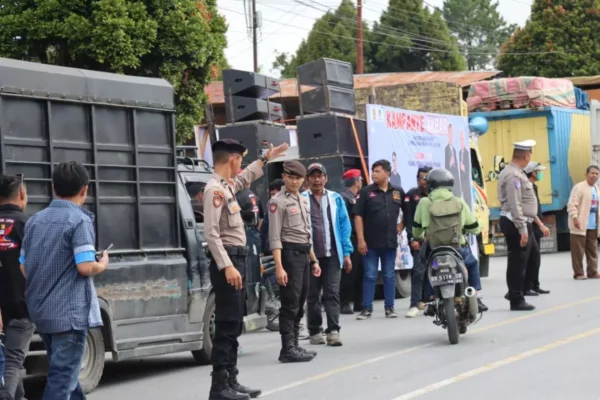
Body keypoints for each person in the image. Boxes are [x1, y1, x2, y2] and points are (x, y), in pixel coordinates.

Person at [203, 139, 287, 400]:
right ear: (233, 159)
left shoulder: (227, 186)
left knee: (235, 321)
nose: (241, 164)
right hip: (228, 261)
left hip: (237, 261)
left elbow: (244, 178)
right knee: (227, 323)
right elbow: (212, 234)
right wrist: (227, 266)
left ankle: (231, 378)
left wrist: (265, 159)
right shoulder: (214, 190)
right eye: (240, 158)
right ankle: (219, 386)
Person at [20, 161, 109, 399]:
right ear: (85, 190)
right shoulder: (79, 221)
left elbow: (23, 267)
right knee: (62, 381)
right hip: (69, 316)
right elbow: (85, 266)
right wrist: (102, 264)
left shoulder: (34, 222)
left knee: (67, 377)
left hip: (42, 312)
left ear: (53, 188)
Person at [412, 168, 488, 313]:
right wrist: (477, 228)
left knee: (428, 268)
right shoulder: (458, 202)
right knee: (472, 264)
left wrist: (419, 235)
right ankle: (475, 296)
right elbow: (473, 227)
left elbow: (416, 230)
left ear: (430, 185)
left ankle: (430, 299)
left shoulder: (424, 202)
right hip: (457, 249)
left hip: (434, 249)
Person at [269, 161, 322, 363]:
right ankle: (287, 348)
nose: (294, 181)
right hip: (288, 255)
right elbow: (275, 237)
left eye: (298, 178)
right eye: (290, 177)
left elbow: (306, 234)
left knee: (300, 302)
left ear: (303, 180)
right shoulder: (278, 201)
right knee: (290, 303)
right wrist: (279, 267)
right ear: (284, 177)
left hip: (303, 254)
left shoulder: (303, 200)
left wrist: (314, 260)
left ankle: (296, 345)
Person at [302, 163, 353, 347]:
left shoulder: (336, 199)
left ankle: (333, 331)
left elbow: (344, 227)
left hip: (332, 253)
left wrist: (346, 253)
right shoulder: (301, 199)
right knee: (312, 294)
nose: (316, 179)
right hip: (309, 256)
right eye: (313, 176)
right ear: (307, 179)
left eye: (320, 176)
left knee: (332, 293)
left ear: (326, 178)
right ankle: (315, 331)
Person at [353, 160, 404, 320]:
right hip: (370, 243)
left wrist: (402, 225)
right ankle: (366, 308)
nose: (374, 174)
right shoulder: (366, 192)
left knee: (389, 275)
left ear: (387, 173)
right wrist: (361, 239)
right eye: (373, 171)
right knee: (370, 275)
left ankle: (390, 308)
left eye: (377, 171)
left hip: (389, 242)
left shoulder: (397, 191)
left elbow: (407, 212)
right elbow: (358, 216)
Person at [0, 174, 33, 400]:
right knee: (13, 361)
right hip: (22, 306)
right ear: (21, 194)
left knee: (11, 357)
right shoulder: (28, 225)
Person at [497, 140, 539, 311]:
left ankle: (515, 293)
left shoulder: (514, 172)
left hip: (515, 221)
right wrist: (522, 229)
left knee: (520, 260)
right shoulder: (514, 175)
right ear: (526, 156)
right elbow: (515, 204)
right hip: (515, 222)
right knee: (517, 262)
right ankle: (516, 298)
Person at [404, 166, 432, 318]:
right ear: (417, 180)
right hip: (419, 239)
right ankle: (414, 303)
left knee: (433, 270)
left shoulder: (437, 195)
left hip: (435, 239)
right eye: (422, 178)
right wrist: (412, 238)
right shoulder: (412, 196)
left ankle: (428, 301)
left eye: (428, 178)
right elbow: (409, 220)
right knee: (418, 271)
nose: (425, 181)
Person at [567, 165, 600, 280]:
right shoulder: (579, 187)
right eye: (592, 173)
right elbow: (572, 204)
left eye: (596, 173)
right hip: (580, 224)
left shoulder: (596, 188)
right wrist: (575, 218)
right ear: (586, 174)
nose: (594, 176)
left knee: (593, 250)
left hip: (593, 225)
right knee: (578, 251)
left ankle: (592, 271)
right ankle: (578, 273)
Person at [523, 162, 551, 295]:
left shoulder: (534, 186)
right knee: (532, 258)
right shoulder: (527, 187)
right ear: (532, 172)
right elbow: (530, 210)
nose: (540, 174)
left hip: (536, 225)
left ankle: (534, 284)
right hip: (531, 225)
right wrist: (540, 224)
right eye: (538, 171)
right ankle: (526, 286)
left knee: (536, 257)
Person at [340, 169, 364, 314]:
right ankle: (344, 302)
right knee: (349, 272)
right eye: (360, 179)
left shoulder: (357, 197)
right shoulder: (344, 199)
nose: (361, 182)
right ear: (356, 181)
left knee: (360, 271)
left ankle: (358, 302)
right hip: (349, 238)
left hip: (358, 238)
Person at [260, 179, 284, 256]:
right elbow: (264, 229)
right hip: (271, 249)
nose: (272, 198)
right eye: (271, 195)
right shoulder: (270, 206)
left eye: (274, 194)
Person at [444, 124, 461, 197]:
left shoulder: (454, 149)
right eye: (450, 133)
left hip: (456, 180)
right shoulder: (446, 149)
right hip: (449, 181)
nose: (451, 136)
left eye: (452, 133)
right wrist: (450, 163)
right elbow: (446, 166)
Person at [458, 130, 472, 206]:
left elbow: (468, 171)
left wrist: (464, 169)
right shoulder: (459, 152)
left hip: (466, 183)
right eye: (460, 139)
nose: (461, 141)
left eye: (462, 139)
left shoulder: (467, 153)